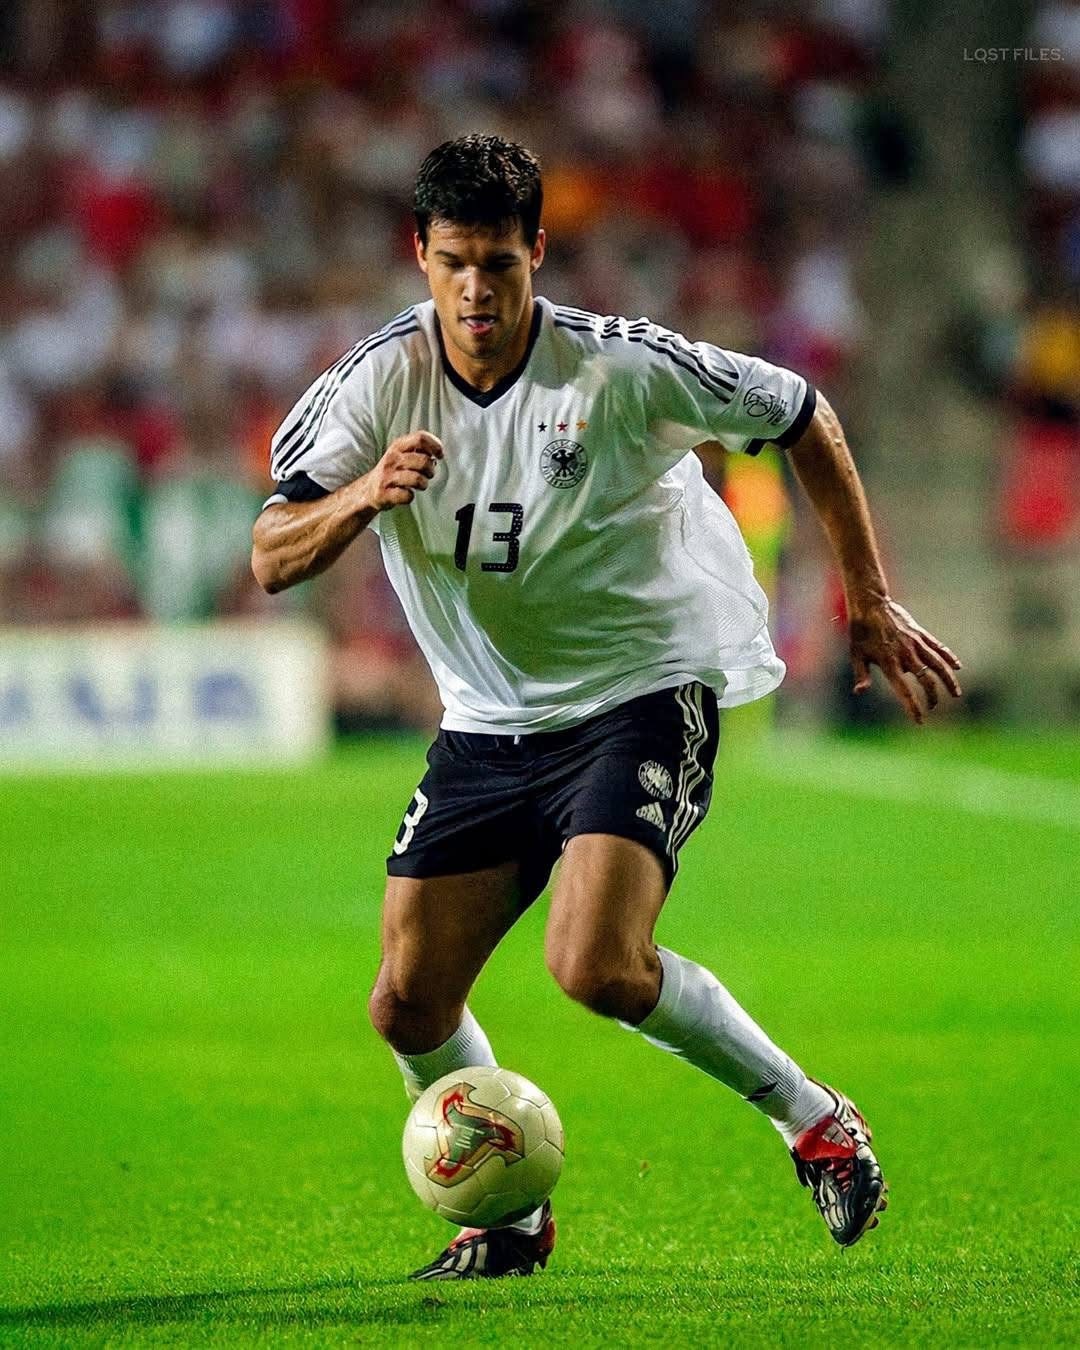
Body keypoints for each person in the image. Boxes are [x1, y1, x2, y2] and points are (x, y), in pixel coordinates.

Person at [251, 134, 962, 1280]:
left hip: (640, 690)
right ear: (420, 255)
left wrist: (867, 600)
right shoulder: (376, 384)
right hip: (487, 723)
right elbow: (272, 552)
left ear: (537, 250)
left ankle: (815, 1120)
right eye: (453, 264)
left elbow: (800, 412)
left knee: (596, 964)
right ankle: (509, 1219)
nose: (477, 292)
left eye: (499, 263)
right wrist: (363, 497)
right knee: (406, 1004)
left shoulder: (618, 368)